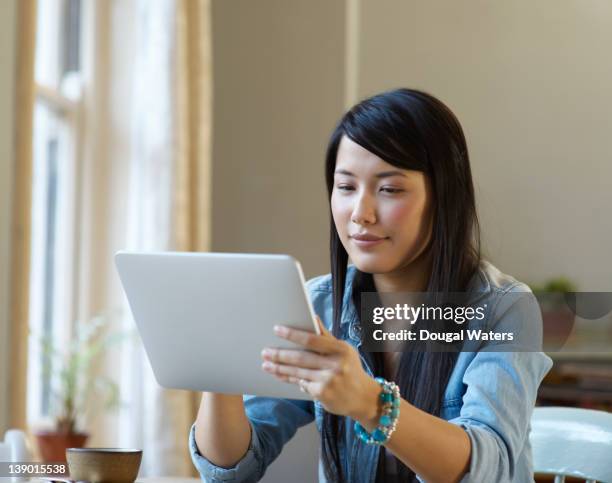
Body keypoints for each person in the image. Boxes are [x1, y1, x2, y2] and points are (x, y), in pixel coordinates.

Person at [188, 88, 553, 482]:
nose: (360, 214)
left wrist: (369, 402)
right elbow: (230, 470)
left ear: (445, 196)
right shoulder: (319, 305)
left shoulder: (504, 308)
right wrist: (219, 367)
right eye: (346, 187)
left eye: (389, 189)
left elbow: (490, 468)